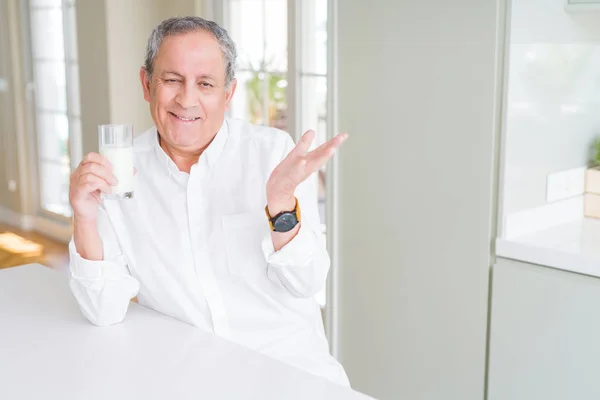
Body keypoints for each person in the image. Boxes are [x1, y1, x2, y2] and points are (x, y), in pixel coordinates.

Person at [68, 16, 349, 386]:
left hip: (292, 377)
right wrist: (84, 216)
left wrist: (280, 204)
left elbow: (305, 281)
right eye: (171, 80)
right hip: (189, 380)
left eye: (205, 83)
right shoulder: (117, 174)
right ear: (146, 84)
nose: (187, 99)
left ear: (228, 94)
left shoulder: (273, 155)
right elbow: (103, 310)